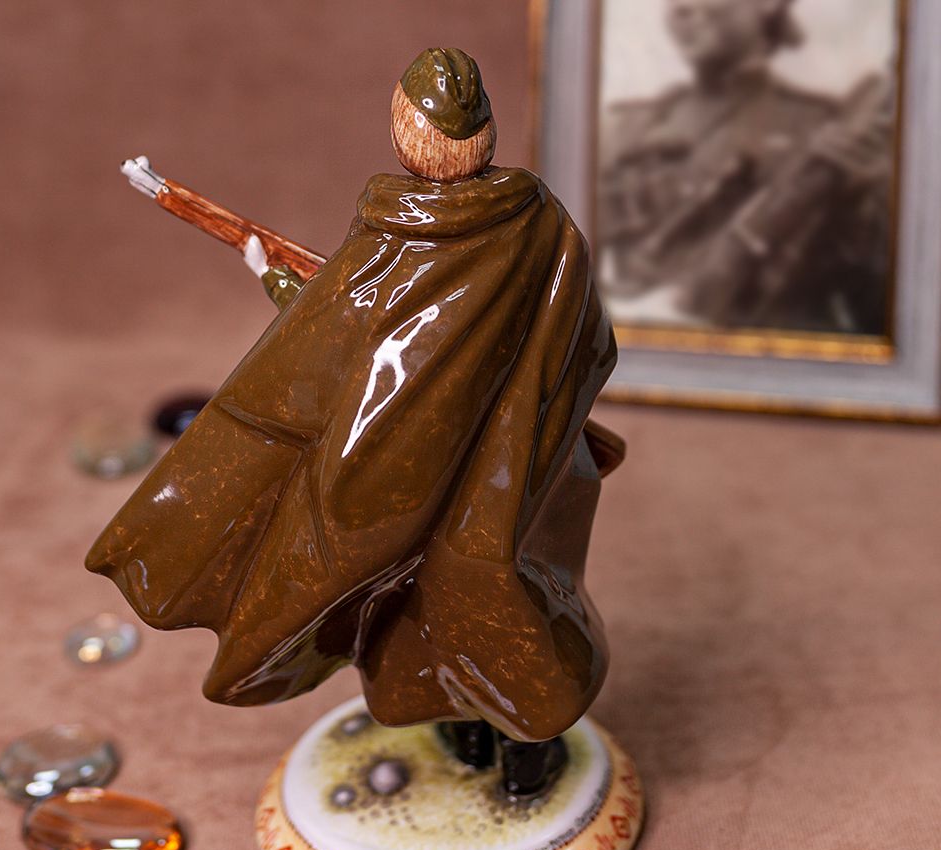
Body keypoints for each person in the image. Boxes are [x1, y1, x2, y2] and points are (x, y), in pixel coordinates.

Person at [87, 48, 623, 800]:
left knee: (446, 613)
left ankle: (503, 750)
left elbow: (334, 343)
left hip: (417, 496)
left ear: (406, 134)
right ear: (485, 136)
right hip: (514, 478)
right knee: (498, 610)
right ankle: (503, 749)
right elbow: (586, 335)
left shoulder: (395, 239)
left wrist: (272, 276)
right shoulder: (542, 222)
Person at [599, 0, 894, 334]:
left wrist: (871, 200)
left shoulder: (826, 129)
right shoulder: (626, 129)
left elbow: (878, 313)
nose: (681, 6)